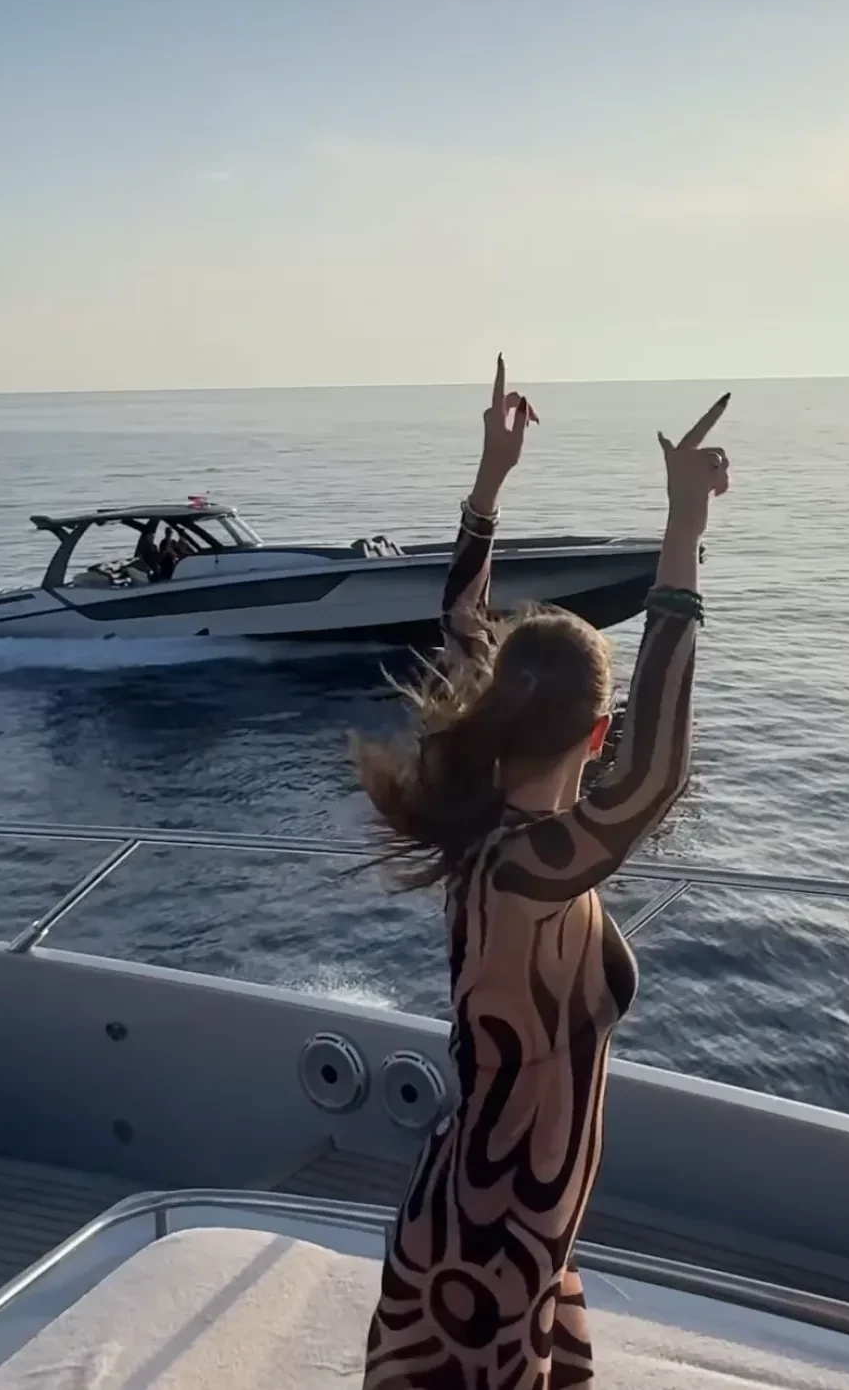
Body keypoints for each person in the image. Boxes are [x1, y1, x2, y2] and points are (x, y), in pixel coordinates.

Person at [355, 356, 730, 1390]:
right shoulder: (526, 867)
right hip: (489, 1246)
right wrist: (683, 535)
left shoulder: (494, 828)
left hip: (515, 1234)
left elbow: (461, 622)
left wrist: (491, 480)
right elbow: (654, 777)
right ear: (597, 733)